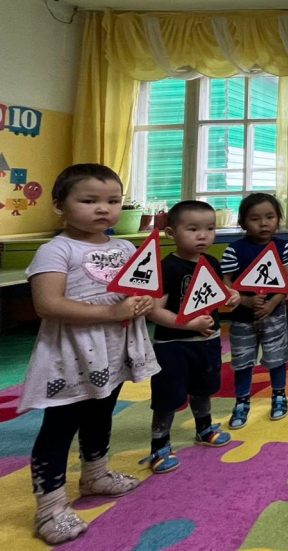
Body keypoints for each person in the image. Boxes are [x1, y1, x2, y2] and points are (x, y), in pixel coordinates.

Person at [21, 164, 160, 544]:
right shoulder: (56, 249)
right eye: (89, 200)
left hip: (115, 351)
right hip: (71, 355)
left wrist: (143, 303)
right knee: (60, 427)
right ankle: (50, 508)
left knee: (101, 414)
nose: (103, 208)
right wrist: (111, 313)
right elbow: (47, 304)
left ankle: (95, 475)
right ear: (59, 205)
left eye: (113, 201)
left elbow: (139, 289)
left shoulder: (125, 248)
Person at [142, 201, 240, 475]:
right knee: (168, 396)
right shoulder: (167, 267)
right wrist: (188, 324)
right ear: (171, 233)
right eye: (193, 229)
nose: (203, 236)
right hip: (173, 346)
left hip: (207, 342)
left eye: (210, 229)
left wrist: (232, 295)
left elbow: (219, 292)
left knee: (203, 388)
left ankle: (204, 428)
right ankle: (159, 445)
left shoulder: (211, 262)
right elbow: (154, 311)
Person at [222, 193, 288, 428]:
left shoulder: (282, 247)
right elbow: (225, 283)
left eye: (270, 217)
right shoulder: (234, 250)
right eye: (255, 219)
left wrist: (273, 303)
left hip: (274, 315)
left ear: (278, 219)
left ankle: (279, 396)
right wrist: (245, 301)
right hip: (242, 318)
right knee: (243, 361)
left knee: (277, 358)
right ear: (243, 222)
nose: (263, 223)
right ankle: (242, 401)